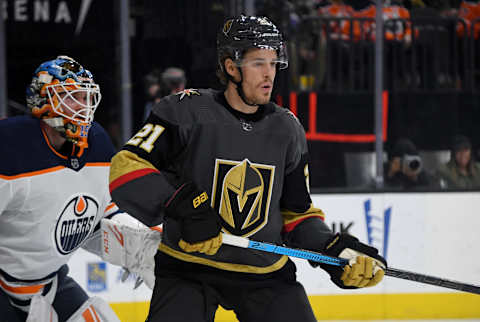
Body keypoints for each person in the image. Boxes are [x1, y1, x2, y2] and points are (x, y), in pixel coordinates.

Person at [109, 15, 387, 322]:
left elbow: (297, 215)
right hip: (188, 267)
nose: (269, 74)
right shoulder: (186, 111)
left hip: (264, 273)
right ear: (231, 67)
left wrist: (334, 249)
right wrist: (183, 207)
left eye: (273, 62)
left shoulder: (287, 128)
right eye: (258, 63)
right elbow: (127, 166)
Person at [0, 56, 121, 321]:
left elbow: (99, 220)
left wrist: (140, 246)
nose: (83, 107)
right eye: (71, 96)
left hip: (49, 283)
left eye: (87, 98)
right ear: (42, 100)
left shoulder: (98, 143)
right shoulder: (10, 145)